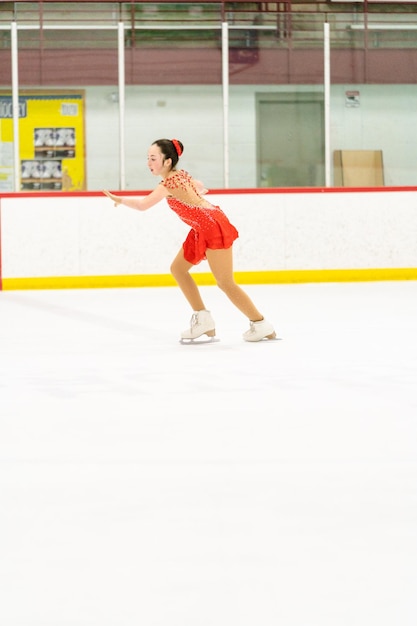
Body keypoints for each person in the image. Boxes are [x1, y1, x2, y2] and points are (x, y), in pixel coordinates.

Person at [103, 138, 276, 343]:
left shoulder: (167, 183)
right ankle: (203, 320)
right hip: (202, 226)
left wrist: (120, 200)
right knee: (178, 269)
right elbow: (200, 186)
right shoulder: (180, 175)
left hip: (212, 226)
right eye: (147, 158)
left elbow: (143, 205)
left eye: (153, 158)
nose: (148, 163)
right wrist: (195, 194)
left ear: (167, 161)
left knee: (225, 282)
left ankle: (260, 324)